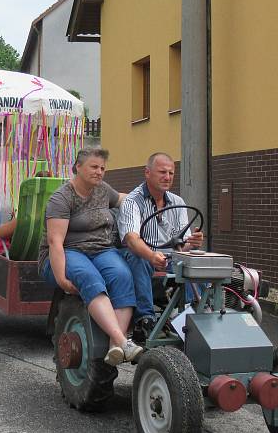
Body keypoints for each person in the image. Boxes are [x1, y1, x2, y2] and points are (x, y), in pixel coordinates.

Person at [38, 148, 142, 366]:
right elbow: (55, 242)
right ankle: (124, 342)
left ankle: (115, 347)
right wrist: (60, 278)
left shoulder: (102, 190)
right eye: (94, 167)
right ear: (78, 167)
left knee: (123, 275)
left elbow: (122, 198)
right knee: (90, 278)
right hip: (69, 251)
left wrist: (142, 200)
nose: (99, 172)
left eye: (103, 168)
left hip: (102, 250)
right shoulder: (62, 198)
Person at [117, 152, 204, 343]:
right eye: (162, 172)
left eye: (171, 173)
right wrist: (151, 256)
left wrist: (193, 242)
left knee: (198, 259)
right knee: (138, 258)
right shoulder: (132, 201)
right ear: (147, 173)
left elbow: (182, 243)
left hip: (170, 258)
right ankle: (145, 319)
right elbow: (132, 239)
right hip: (142, 256)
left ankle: (194, 313)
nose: (167, 177)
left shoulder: (178, 202)